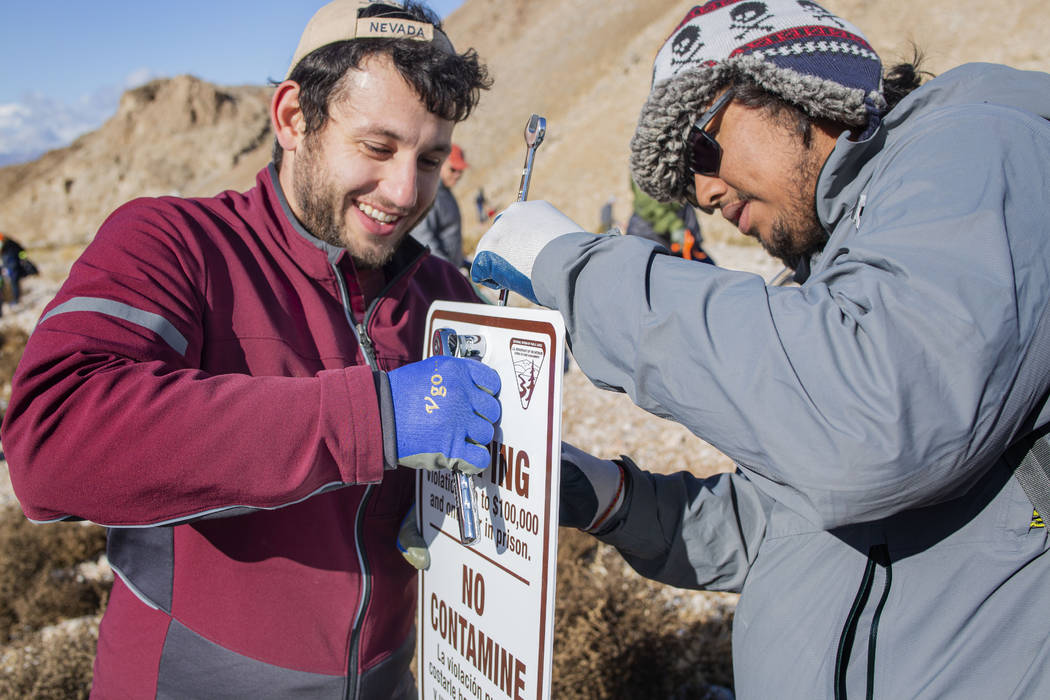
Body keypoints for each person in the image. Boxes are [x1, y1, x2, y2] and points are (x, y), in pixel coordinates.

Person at [470, 0, 1050, 697]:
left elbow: (876, 422)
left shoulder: (978, 151)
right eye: (688, 184)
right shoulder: (836, 262)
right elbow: (782, 525)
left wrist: (577, 268)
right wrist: (612, 496)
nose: (705, 192)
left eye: (699, 149)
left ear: (796, 86)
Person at [0, 1, 498, 697]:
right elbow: (51, 440)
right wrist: (374, 418)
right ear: (294, 118)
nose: (406, 191)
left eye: (431, 158)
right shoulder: (175, 243)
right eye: (378, 148)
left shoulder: (443, 293)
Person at [625, 179, 714, 264]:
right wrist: (675, 227)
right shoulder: (644, 170)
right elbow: (650, 207)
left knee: (707, 268)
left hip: (682, 228)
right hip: (653, 234)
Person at [409, 142, 469, 267]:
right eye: (453, 169)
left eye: (460, 171)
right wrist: (449, 272)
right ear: (439, 164)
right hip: (438, 274)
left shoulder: (445, 193)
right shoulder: (430, 195)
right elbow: (424, 240)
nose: (457, 175)